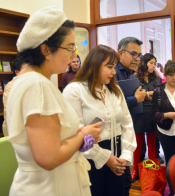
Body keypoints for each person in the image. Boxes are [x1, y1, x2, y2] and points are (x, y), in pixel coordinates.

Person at [6, 6, 101, 196]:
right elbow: (48, 157)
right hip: (48, 188)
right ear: (46, 50)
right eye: (70, 48)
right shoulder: (37, 85)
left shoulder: (31, 81)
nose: (74, 56)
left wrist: (75, 136)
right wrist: (83, 136)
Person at [63, 44, 136, 196]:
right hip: (89, 157)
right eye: (109, 66)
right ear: (94, 65)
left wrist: (125, 155)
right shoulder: (75, 90)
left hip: (118, 156)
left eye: (114, 66)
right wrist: (104, 157)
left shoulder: (114, 90)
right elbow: (73, 132)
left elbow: (127, 123)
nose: (113, 72)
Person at [115, 37, 145, 196]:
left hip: (125, 135)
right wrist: (135, 100)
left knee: (125, 184)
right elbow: (111, 108)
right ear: (120, 53)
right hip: (112, 139)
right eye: (133, 54)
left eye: (139, 55)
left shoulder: (132, 75)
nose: (137, 59)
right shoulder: (113, 74)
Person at [131, 53, 162, 182]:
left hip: (152, 113)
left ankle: (152, 170)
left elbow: (159, 95)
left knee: (152, 144)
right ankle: (136, 171)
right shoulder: (134, 78)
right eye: (151, 63)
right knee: (138, 145)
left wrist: (146, 94)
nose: (153, 66)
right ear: (144, 63)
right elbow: (133, 96)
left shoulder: (157, 79)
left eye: (155, 63)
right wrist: (150, 95)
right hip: (138, 114)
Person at [2, 58, 28, 136]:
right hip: (14, 129)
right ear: (17, 72)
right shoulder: (10, 87)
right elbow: (8, 111)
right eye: (25, 70)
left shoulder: (27, 83)